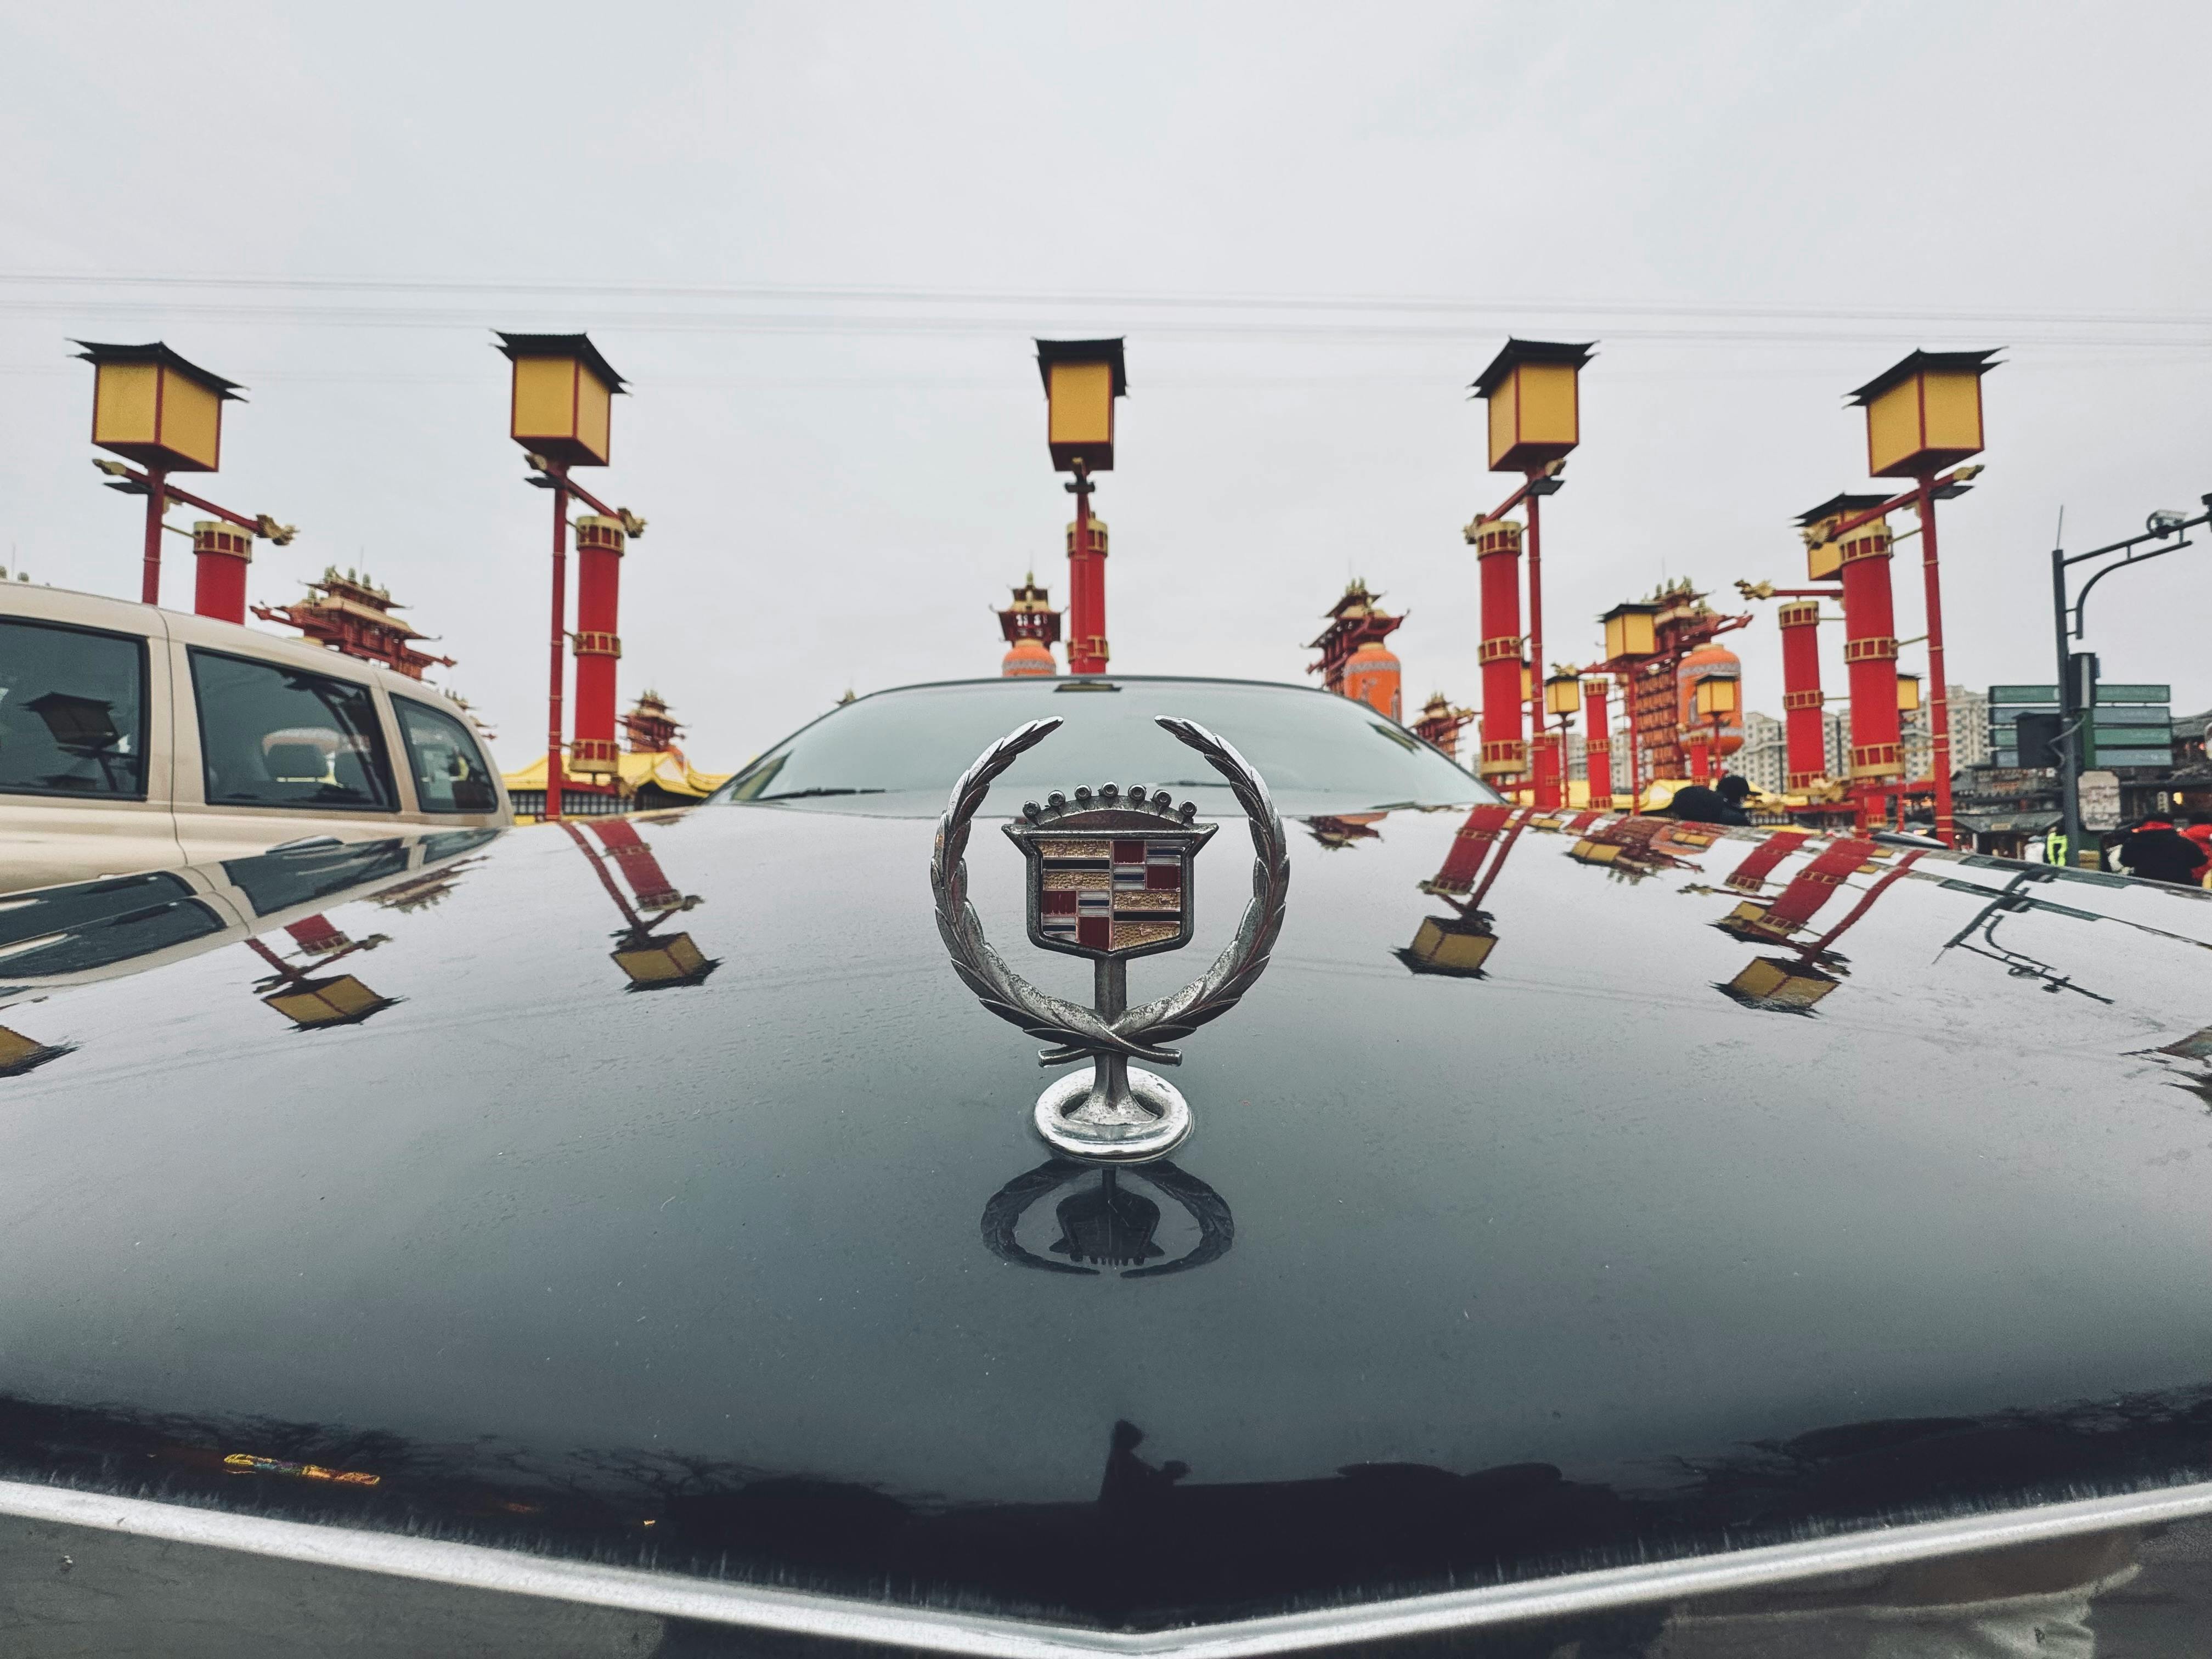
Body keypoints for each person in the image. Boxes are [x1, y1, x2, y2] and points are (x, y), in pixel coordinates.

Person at [2113, 817, 2206, 885]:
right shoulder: (2184, 842)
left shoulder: (2134, 843)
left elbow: (2125, 861)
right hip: (2180, 886)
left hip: (2145, 885)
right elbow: (2199, 860)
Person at [1664, 773, 1753, 827]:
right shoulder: (1736, 819)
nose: (1744, 800)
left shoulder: (1688, 819)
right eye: (1744, 796)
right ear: (1738, 795)